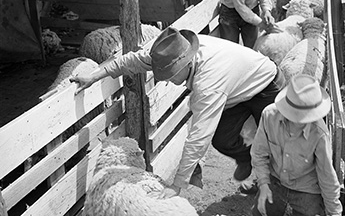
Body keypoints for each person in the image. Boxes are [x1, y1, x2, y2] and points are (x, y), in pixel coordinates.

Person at [70, 27, 286, 198]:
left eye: (171, 75)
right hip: (235, 90)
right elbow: (133, 60)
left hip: (265, 85)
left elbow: (199, 137)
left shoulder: (207, 84)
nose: (170, 81)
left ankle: (277, 190)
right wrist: (96, 75)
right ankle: (252, 159)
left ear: (186, 63)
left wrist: (177, 185)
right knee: (222, 140)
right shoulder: (170, 51)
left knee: (278, 142)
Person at [250, 74, 343, 216]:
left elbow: (326, 175)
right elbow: (258, 153)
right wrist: (263, 184)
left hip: (306, 188)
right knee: (259, 213)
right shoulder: (269, 115)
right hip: (276, 181)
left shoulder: (319, 134)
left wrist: (334, 212)